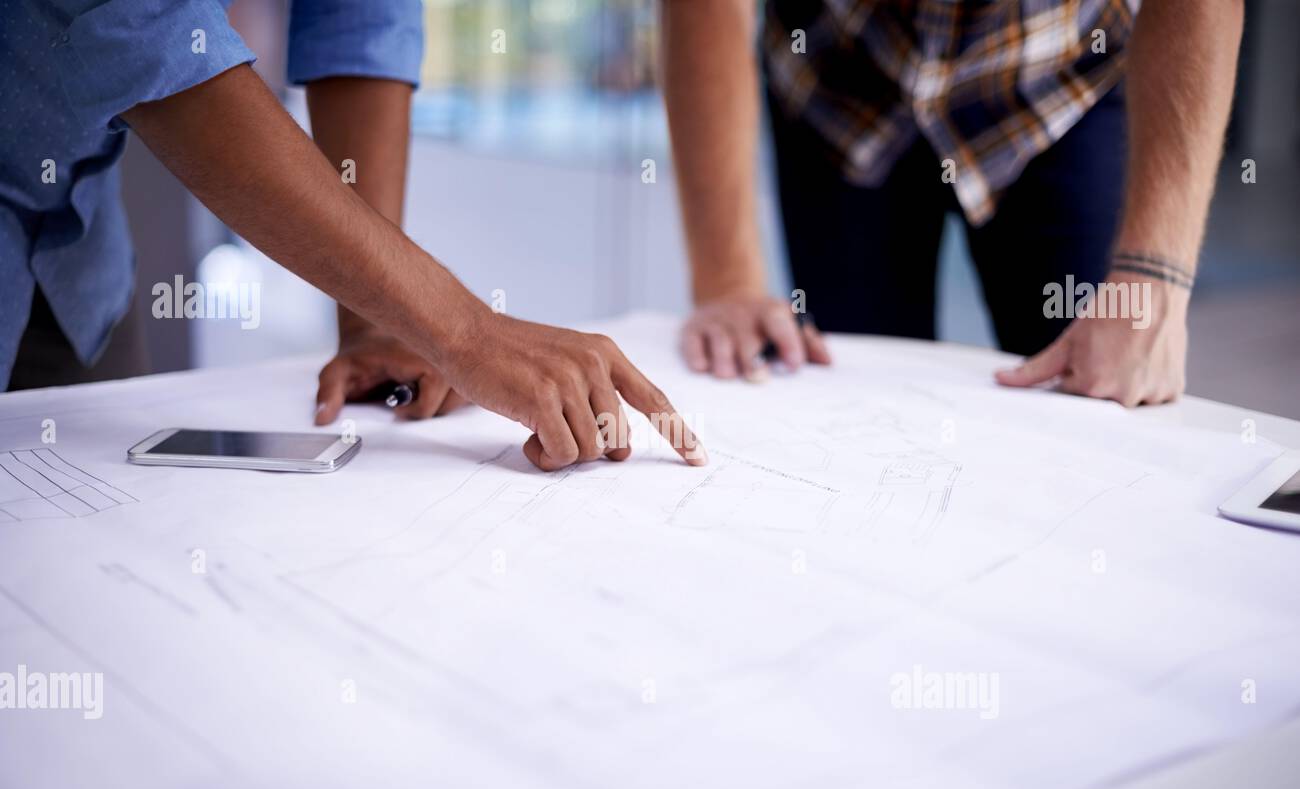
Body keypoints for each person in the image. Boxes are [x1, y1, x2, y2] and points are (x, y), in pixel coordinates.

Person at [0, 0, 704, 471]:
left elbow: (359, 16)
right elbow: (138, 29)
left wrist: (374, 323)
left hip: (74, 258)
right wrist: (465, 332)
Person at [659, 0, 1243, 408]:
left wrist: (1155, 273)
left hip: (1060, 80)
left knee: (1103, 389)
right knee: (848, 404)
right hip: (838, 82)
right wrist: (728, 283)